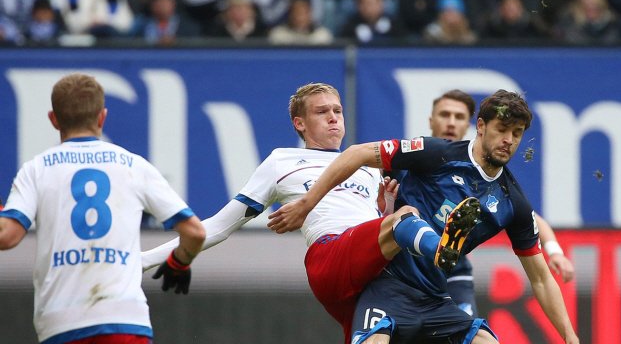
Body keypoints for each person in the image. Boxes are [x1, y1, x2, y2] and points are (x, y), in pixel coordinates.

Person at [140, 83, 469, 344]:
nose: (333, 118)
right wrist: (142, 260)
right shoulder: (281, 162)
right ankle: (443, 249)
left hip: (369, 275)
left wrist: (386, 208)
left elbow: (372, 222)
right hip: (330, 257)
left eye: (338, 110)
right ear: (300, 123)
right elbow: (219, 226)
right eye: (322, 112)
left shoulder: (366, 168)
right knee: (407, 219)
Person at [269, 90, 579, 343]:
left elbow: (539, 277)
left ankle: (442, 252)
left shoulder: (512, 201)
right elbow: (356, 154)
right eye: (501, 130)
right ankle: (437, 247)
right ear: (481, 126)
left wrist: (570, 336)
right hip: (386, 285)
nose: (508, 140)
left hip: (435, 297)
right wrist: (308, 203)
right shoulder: (436, 153)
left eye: (517, 133)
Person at [0, 73, 206, 344]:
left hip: (61, 321)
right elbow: (195, 232)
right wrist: (180, 261)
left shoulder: (36, 169)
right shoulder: (134, 165)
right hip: (125, 320)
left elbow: (7, 236)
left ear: (53, 119)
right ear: (102, 117)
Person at [423, 89, 575, 317]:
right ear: (431, 120)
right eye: (445, 115)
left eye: (459, 117)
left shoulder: (485, 171)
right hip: (405, 265)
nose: (451, 123)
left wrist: (554, 251)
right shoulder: (418, 155)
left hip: (452, 271)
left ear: (473, 125)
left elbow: (528, 217)